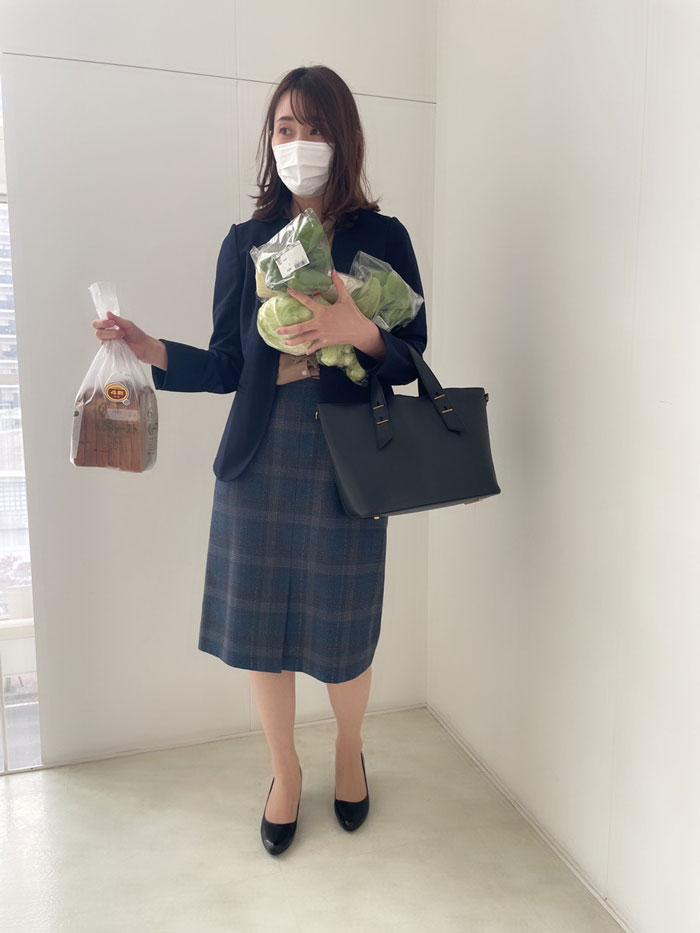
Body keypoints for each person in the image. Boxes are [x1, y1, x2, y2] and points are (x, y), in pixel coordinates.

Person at [92, 65, 427, 856]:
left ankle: (349, 749)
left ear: (343, 139)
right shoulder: (245, 243)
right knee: (260, 630)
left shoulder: (385, 240)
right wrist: (152, 351)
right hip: (260, 455)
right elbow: (225, 365)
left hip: (350, 462)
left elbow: (412, 357)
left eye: (313, 128)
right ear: (268, 142)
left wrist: (358, 331)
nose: (298, 143)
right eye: (284, 128)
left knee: (343, 636)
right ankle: (284, 768)